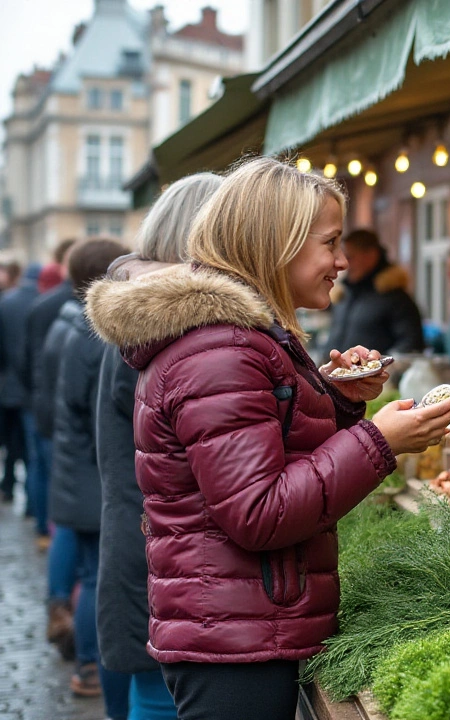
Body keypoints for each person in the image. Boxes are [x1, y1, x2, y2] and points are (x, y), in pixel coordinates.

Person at [85, 156, 450, 720]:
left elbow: (268, 446)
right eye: (329, 242)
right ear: (277, 243)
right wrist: (380, 441)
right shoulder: (220, 350)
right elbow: (260, 510)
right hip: (232, 643)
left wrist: (341, 401)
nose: (341, 260)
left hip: (242, 625)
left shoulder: (239, 339)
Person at [95, 173, 224, 720]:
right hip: (164, 554)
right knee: (157, 695)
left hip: (145, 541)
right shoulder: (173, 327)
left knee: (151, 693)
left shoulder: (142, 318)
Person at [46, 238, 131, 711]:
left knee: (92, 577)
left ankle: (87, 662)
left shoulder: (72, 326)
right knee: (98, 581)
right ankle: (87, 664)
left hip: (75, 472)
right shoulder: (92, 337)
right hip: (89, 478)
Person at [26, 237, 76, 553]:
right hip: (62, 407)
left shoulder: (41, 305)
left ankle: (43, 527)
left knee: (43, 470)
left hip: (41, 400)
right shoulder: (73, 307)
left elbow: (25, 358)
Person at [326, 228, 425, 355]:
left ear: (371, 256)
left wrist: (376, 367)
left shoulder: (396, 299)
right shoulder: (345, 294)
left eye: (350, 257)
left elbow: (410, 345)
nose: (344, 264)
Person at [0, 263, 40, 504]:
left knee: (12, 442)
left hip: (9, 386)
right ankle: (30, 503)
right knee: (29, 447)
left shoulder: (6, 303)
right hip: (32, 388)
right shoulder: (41, 301)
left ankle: (8, 484)